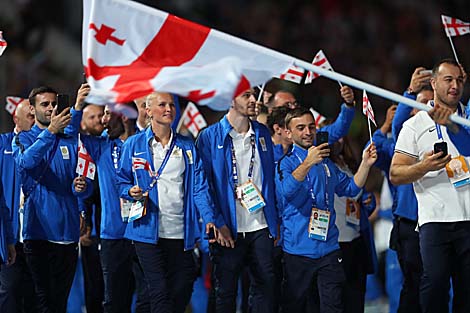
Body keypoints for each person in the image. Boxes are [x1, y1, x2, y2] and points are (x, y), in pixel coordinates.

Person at [116, 92, 217, 313]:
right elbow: (121, 181)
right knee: (158, 291)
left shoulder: (187, 146)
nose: (168, 108)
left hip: (181, 233)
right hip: (146, 231)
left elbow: (199, 186)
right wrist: (129, 190)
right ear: (148, 110)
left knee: (180, 290)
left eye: (171, 104)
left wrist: (209, 218)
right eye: (162, 104)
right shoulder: (133, 144)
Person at [275, 108, 376, 313]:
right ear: (288, 133)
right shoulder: (284, 164)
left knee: (334, 306)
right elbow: (287, 192)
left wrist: (365, 164)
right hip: (298, 251)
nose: (308, 132)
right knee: (295, 307)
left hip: (329, 248)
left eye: (311, 127)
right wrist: (308, 162)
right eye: (300, 128)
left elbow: (350, 188)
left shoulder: (327, 164)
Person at [390, 59, 470, 313]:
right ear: (433, 83)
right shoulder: (414, 124)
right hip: (434, 221)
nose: (454, 85)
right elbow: (395, 173)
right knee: (434, 286)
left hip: (469, 220)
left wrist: (453, 126)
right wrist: (423, 167)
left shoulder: (469, 119)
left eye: (459, 80)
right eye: (448, 79)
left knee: (467, 292)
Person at [197, 88, 278, 313]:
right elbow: (202, 185)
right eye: (246, 96)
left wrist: (274, 221)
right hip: (227, 228)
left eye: (254, 94)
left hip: (260, 225)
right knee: (225, 293)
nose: (254, 100)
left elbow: (270, 178)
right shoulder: (209, 136)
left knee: (265, 287)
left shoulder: (262, 133)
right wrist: (216, 221)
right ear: (230, 99)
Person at [12, 85, 90, 313]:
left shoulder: (70, 140)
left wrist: (82, 190)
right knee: (41, 301)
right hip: (38, 233)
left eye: (54, 103)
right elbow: (25, 163)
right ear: (33, 109)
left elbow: (83, 182)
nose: (51, 108)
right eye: (44, 104)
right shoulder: (23, 139)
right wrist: (50, 132)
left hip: (67, 233)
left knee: (59, 303)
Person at [80, 102, 150, 313]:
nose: (103, 120)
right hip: (113, 235)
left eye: (108, 114)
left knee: (149, 296)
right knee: (114, 300)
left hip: (144, 231)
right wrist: (76, 106)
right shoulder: (100, 145)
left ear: (124, 116)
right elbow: (71, 133)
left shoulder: (147, 142)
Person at [0, 99, 36, 313]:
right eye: (30, 116)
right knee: (10, 291)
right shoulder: (3, 144)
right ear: (16, 118)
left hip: (38, 234)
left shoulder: (48, 146)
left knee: (37, 294)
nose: (35, 120)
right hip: (11, 235)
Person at [78, 103, 105, 313]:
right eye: (92, 117)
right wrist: (85, 223)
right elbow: (83, 192)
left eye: (100, 116)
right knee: (94, 287)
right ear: (82, 123)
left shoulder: (111, 145)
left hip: (114, 230)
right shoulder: (80, 149)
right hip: (92, 233)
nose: (98, 120)